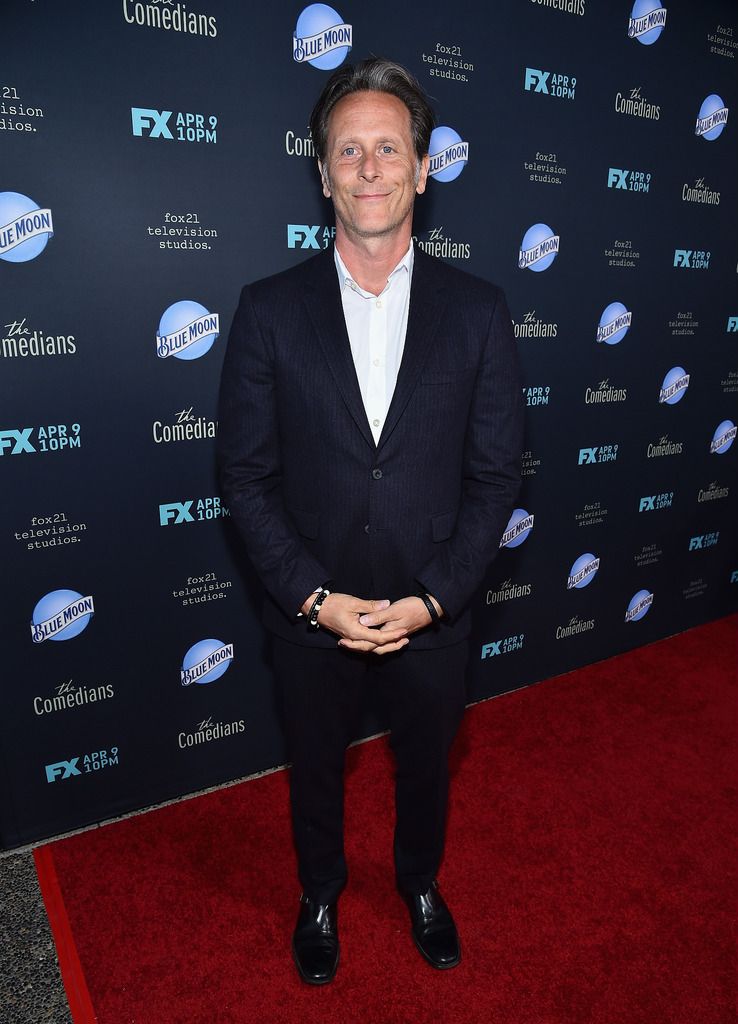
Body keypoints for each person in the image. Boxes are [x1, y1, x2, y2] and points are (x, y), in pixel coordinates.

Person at [217, 57, 523, 985]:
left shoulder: (479, 313)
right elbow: (245, 473)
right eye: (349, 150)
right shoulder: (268, 311)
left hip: (436, 611)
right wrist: (315, 599)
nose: (371, 167)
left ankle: (420, 884)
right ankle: (319, 894)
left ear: (424, 169)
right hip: (313, 613)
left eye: (390, 148)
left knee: (427, 767)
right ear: (323, 174)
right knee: (315, 767)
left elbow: (496, 473)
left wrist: (435, 599)